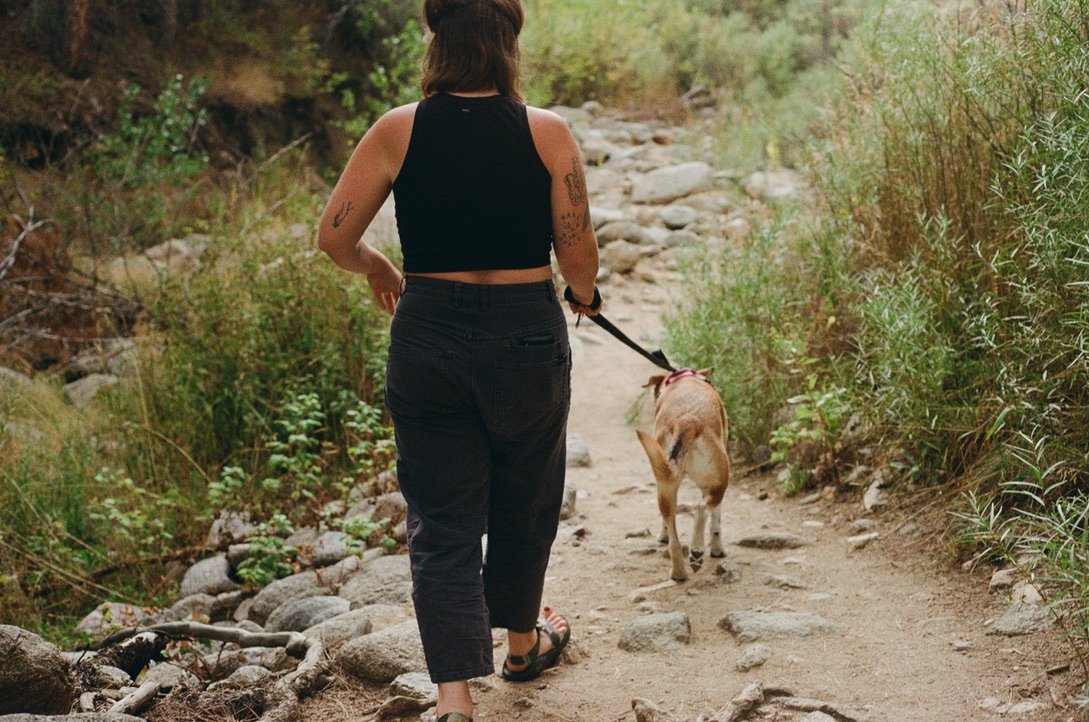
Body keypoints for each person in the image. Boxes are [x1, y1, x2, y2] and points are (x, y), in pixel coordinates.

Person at [317, 1, 601, 719]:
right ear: (507, 44)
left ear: (436, 41)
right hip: (525, 336)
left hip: (429, 335)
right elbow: (575, 249)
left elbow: (334, 238)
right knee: (526, 495)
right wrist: (584, 292)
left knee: (440, 520)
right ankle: (520, 647)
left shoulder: (396, 129)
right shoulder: (548, 132)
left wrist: (380, 265)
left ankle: (453, 699)